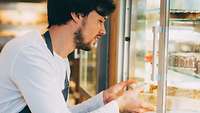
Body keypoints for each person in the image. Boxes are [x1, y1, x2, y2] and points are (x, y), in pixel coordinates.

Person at [0, 0, 154, 113]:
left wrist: (103, 100)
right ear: (77, 14)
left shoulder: (59, 58)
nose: (103, 31)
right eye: (100, 21)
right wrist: (119, 105)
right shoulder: (30, 54)